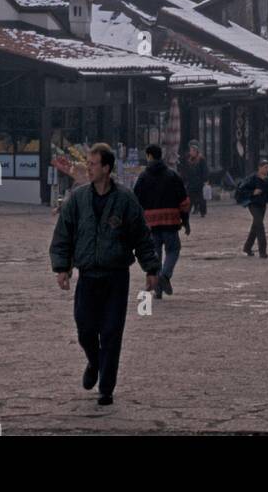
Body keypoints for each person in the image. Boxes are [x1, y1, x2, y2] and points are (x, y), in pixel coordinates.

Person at [50, 142, 160, 406]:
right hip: (87, 276)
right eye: (87, 163)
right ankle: (94, 361)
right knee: (85, 329)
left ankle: (106, 388)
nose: (88, 168)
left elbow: (141, 236)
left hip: (115, 277)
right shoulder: (78, 198)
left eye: (93, 164)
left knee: (111, 332)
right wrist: (62, 266)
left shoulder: (125, 200)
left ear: (107, 168)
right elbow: (63, 233)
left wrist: (151, 268)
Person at [133, 144, 190, 297]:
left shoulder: (143, 177)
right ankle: (164, 276)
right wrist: (185, 221)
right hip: (170, 221)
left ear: (149, 156)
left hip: (150, 223)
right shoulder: (172, 176)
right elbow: (184, 202)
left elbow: (135, 202)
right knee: (173, 250)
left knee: (155, 255)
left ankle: (158, 289)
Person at [240, 159, 268, 258]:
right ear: (259, 167)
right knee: (260, 225)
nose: (267, 170)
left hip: (262, 204)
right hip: (253, 204)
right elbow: (241, 189)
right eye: (265, 167)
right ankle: (262, 251)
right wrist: (253, 192)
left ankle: (247, 247)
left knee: (255, 226)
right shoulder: (252, 178)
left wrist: (266, 180)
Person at [179, 141, 209, 218]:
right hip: (191, 182)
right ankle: (187, 212)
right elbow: (186, 170)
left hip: (199, 182)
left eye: (192, 151)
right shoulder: (189, 159)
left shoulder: (201, 159)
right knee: (189, 198)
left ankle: (203, 212)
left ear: (196, 151)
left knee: (201, 198)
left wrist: (205, 181)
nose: (190, 152)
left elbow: (205, 170)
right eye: (190, 150)